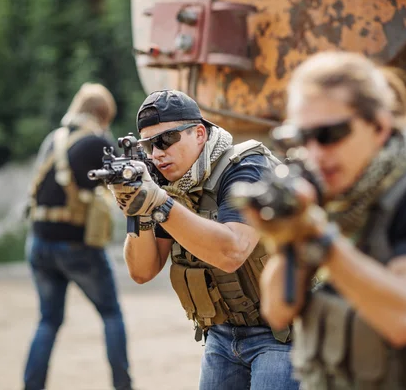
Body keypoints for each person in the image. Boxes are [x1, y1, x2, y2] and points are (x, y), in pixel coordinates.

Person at [238, 51, 406, 389]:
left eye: (329, 134)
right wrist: (289, 236)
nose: (316, 153)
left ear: (379, 126)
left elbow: (405, 318)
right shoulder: (338, 201)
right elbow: (278, 310)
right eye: (301, 138)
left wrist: (319, 237)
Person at [108, 89, 300, 390]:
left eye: (165, 140)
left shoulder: (245, 169)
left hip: (281, 335)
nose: (156, 153)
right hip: (223, 335)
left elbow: (232, 251)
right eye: (147, 145)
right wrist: (139, 211)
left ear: (199, 133)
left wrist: (158, 203)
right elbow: (142, 270)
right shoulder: (170, 186)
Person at [23, 83, 132, 390]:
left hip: (38, 240)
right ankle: (123, 386)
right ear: (102, 114)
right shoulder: (97, 141)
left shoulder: (53, 139)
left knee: (48, 321)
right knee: (111, 313)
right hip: (75, 244)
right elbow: (124, 184)